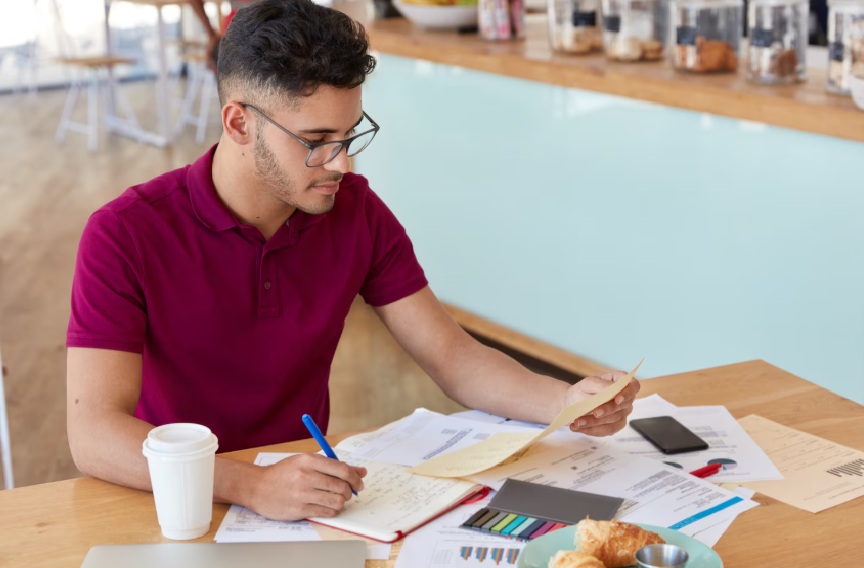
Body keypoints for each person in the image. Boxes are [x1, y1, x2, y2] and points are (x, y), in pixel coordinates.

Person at [66, 0, 640, 522]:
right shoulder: (124, 234)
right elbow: (93, 432)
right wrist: (249, 483)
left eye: (351, 133)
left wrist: (562, 401)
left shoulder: (355, 211)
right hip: (170, 499)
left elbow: (453, 356)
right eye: (317, 140)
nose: (341, 164)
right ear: (240, 123)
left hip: (309, 492)